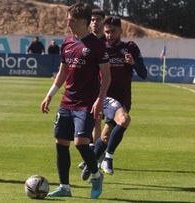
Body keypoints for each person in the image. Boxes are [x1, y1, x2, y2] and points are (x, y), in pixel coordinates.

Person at [40, 2, 111, 199]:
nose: (68, 22)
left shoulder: (97, 45)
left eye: (71, 19)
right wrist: (50, 94)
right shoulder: (67, 43)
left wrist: (100, 99)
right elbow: (63, 72)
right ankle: (65, 187)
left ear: (83, 21)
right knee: (61, 142)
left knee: (81, 142)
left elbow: (106, 75)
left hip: (86, 104)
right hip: (66, 102)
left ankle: (96, 176)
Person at [91, 16, 147, 175]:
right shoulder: (100, 47)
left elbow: (144, 74)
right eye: (107, 32)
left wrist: (133, 63)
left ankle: (91, 163)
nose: (109, 35)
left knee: (106, 136)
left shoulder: (130, 48)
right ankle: (107, 158)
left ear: (121, 31)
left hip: (124, 98)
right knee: (122, 121)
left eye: (113, 32)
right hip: (106, 98)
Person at [78, 7, 107, 179]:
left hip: (101, 88)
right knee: (85, 124)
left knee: (96, 122)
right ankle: (91, 155)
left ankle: (96, 156)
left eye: (99, 20)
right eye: (93, 20)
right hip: (86, 88)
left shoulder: (106, 42)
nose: (95, 23)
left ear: (104, 21)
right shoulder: (85, 40)